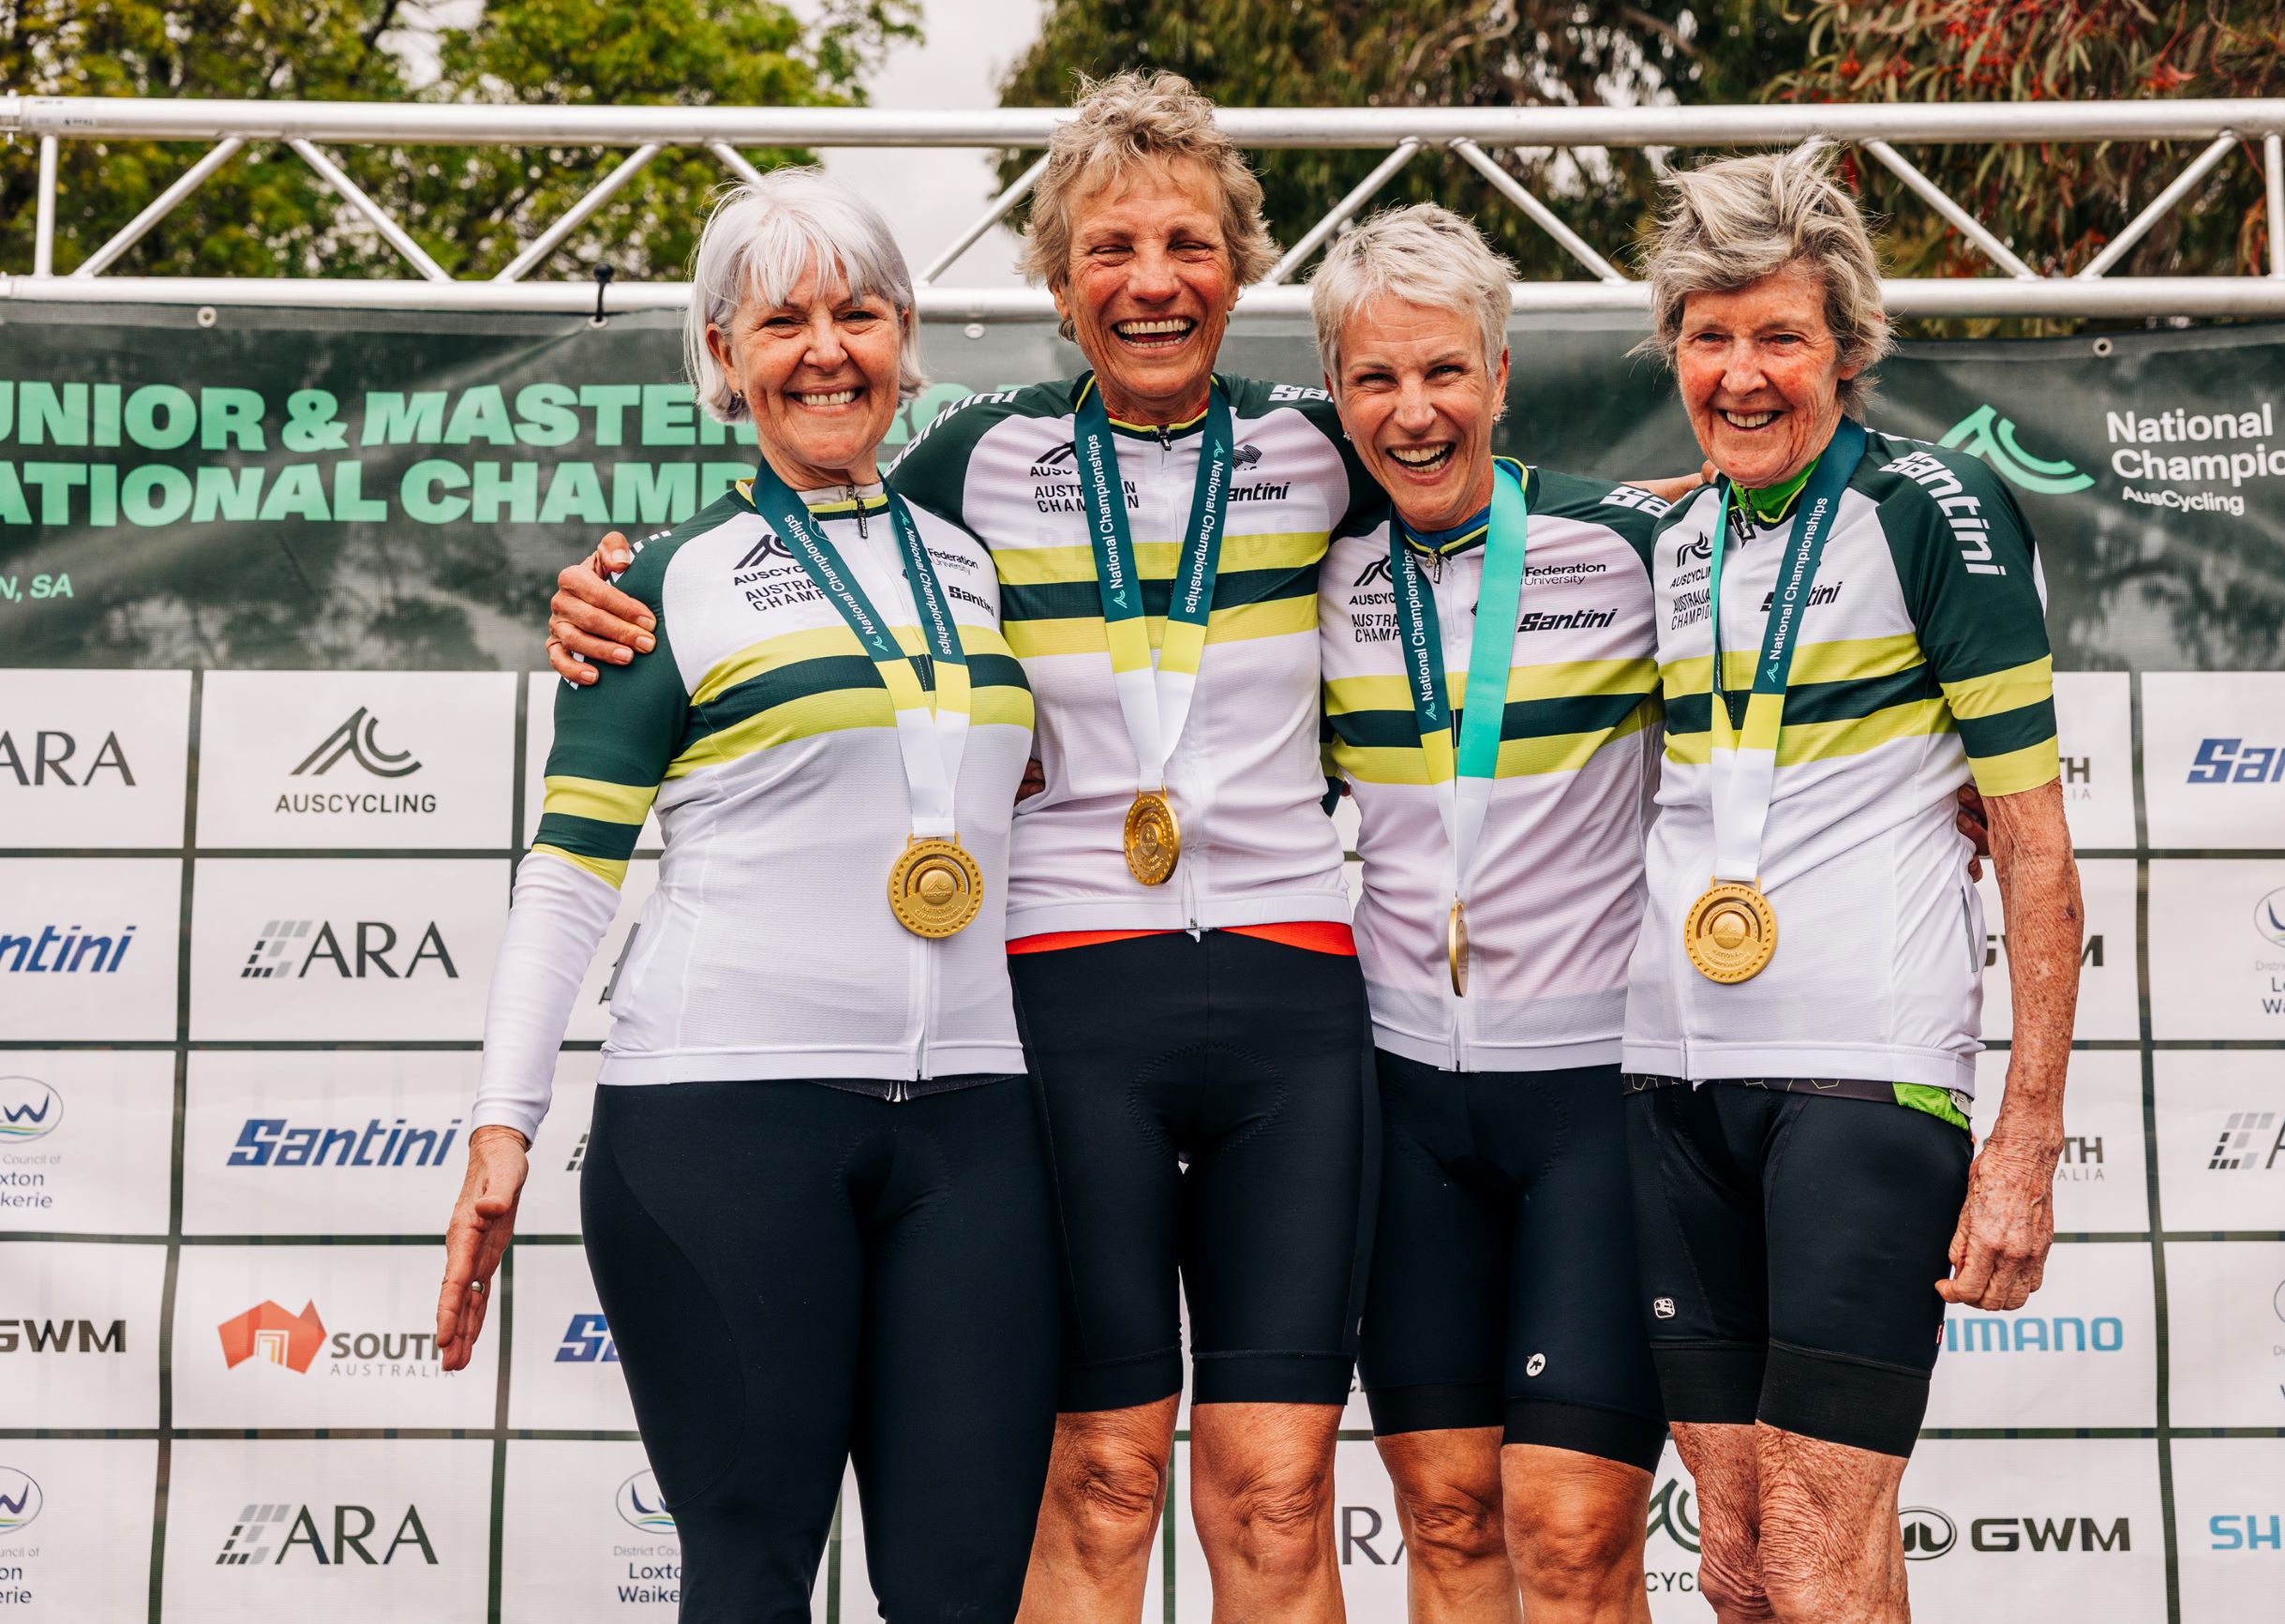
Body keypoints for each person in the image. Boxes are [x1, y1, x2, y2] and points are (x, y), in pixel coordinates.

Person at [545, 71, 1383, 1624]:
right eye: (1111, 248)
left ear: (1242, 265)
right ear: (1059, 285)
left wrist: (1687, 513)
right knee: (1095, 1481)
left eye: (1188, 242)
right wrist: (611, 584)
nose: (1153, 281)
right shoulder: (970, 467)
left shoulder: (1333, 455)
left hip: (1289, 997)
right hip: (1059, 1009)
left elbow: (1491, 498)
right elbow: (801, 519)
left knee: (1275, 1494)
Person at [436, 171, 1058, 1624]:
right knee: (750, 1580)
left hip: (974, 1123)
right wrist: (500, 1122)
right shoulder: (655, 587)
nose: (825, 347)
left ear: (908, 337)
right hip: (722, 1120)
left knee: (965, 1592)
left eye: (858, 311)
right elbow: (569, 875)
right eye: (782, 319)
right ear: (722, 358)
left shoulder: (975, 563)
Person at [1615, 142, 2084, 1624]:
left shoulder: (1932, 512)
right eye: (1710, 336)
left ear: (1850, 349)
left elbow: (2034, 844)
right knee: (1744, 1570)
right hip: (1673, 1085)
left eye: (1781, 337)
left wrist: (2027, 1136)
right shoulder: (1663, 531)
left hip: (1864, 1088)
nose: (1742, 374)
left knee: (1821, 1555)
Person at [1309, 205, 1674, 1624]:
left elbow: (1841, 637)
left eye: (1444, 373)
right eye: (1375, 381)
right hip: (1402, 1105)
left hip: (1592, 1098)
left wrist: (1952, 782)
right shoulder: (1306, 573)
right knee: (1450, 1522)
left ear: (1502, 375)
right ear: (1335, 393)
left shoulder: (1631, 543)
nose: (1412, 414)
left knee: (1575, 1536)